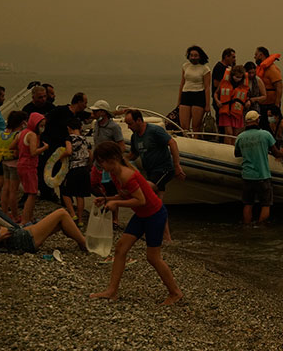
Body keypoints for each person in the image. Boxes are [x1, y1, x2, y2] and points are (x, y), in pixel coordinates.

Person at [88, 141, 182, 305]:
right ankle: (111, 291)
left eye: (100, 162)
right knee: (120, 248)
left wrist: (116, 204)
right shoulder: (114, 174)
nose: (99, 166)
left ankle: (175, 293)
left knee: (153, 257)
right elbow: (126, 195)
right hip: (142, 215)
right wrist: (106, 199)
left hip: (155, 215)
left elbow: (140, 200)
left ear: (111, 159)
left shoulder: (127, 175)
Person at [124, 109, 185, 242]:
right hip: (151, 172)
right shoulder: (135, 137)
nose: (128, 127)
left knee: (144, 191)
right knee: (158, 204)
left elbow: (172, 143)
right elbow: (133, 155)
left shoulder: (154, 131)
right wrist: (119, 161)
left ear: (138, 120)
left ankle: (143, 228)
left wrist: (177, 165)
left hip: (164, 170)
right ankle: (166, 237)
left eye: (130, 124)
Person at [0, 190, 87, 254]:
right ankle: (84, 243)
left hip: (20, 235)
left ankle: (82, 243)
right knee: (62, 213)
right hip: (23, 240)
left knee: (61, 222)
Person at [234, 111, 281, 224]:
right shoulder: (265, 134)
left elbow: (237, 153)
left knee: (248, 204)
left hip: (247, 176)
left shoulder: (240, 137)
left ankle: (247, 226)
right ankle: (261, 227)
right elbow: (276, 152)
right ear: (257, 120)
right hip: (262, 175)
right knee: (265, 204)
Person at [40, 92, 88, 201]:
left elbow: (93, 115)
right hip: (52, 146)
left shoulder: (78, 114)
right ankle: (48, 195)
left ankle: (65, 199)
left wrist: (117, 112)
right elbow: (45, 118)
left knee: (64, 174)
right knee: (49, 170)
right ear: (79, 102)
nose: (86, 105)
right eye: (85, 103)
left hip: (65, 146)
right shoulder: (61, 110)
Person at [0, 110, 28, 223]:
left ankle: (5, 213)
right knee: (13, 190)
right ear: (22, 122)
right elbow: (18, 151)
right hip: (14, 164)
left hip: (4, 162)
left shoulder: (5, 132)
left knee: (5, 188)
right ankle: (15, 215)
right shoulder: (18, 134)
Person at [17, 112, 49, 224]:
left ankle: (30, 217)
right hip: (29, 166)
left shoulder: (23, 133)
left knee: (29, 192)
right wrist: (45, 148)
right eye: (41, 125)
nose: (42, 128)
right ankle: (25, 220)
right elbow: (33, 152)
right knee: (32, 193)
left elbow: (13, 146)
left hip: (21, 164)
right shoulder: (32, 135)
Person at [59, 117, 90, 223]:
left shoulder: (69, 138)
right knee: (80, 195)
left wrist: (60, 157)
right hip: (84, 169)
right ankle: (80, 220)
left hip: (74, 168)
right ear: (80, 127)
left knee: (65, 191)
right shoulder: (85, 139)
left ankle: (73, 214)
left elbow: (68, 151)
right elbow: (90, 154)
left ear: (69, 128)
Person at [177, 45, 211, 137]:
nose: (193, 57)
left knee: (196, 126)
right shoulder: (185, 66)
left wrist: (207, 105)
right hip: (186, 94)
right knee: (184, 126)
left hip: (198, 95)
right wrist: (179, 100)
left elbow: (207, 87)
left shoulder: (205, 69)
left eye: (195, 55)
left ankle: (196, 140)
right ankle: (186, 140)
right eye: (191, 55)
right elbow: (182, 83)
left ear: (200, 56)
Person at [214, 65, 249, 143]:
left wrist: (248, 102)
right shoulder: (224, 82)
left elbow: (246, 97)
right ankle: (227, 149)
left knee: (235, 135)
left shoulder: (243, 86)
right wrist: (217, 101)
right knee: (229, 133)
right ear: (232, 75)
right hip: (226, 111)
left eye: (240, 77)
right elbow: (216, 93)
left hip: (237, 112)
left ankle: (233, 149)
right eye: (236, 76)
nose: (238, 78)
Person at [210, 48, 236, 117]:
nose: (234, 59)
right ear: (226, 57)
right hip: (220, 100)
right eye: (233, 57)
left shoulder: (228, 68)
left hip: (227, 100)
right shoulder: (219, 67)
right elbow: (216, 84)